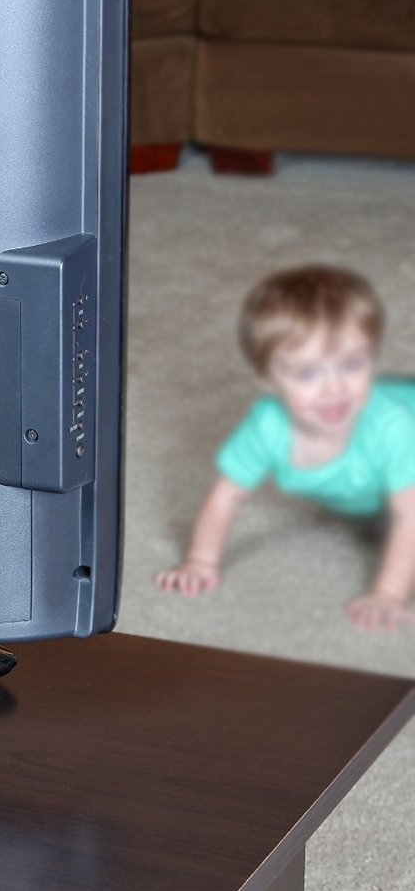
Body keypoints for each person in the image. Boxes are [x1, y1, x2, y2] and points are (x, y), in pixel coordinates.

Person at [156, 264, 415, 631]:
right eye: (307, 372)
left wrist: (387, 594)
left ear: (372, 358)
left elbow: (409, 515)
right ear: (267, 379)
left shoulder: (392, 426)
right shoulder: (267, 426)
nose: (334, 387)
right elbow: (225, 498)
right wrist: (200, 562)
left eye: (351, 363)